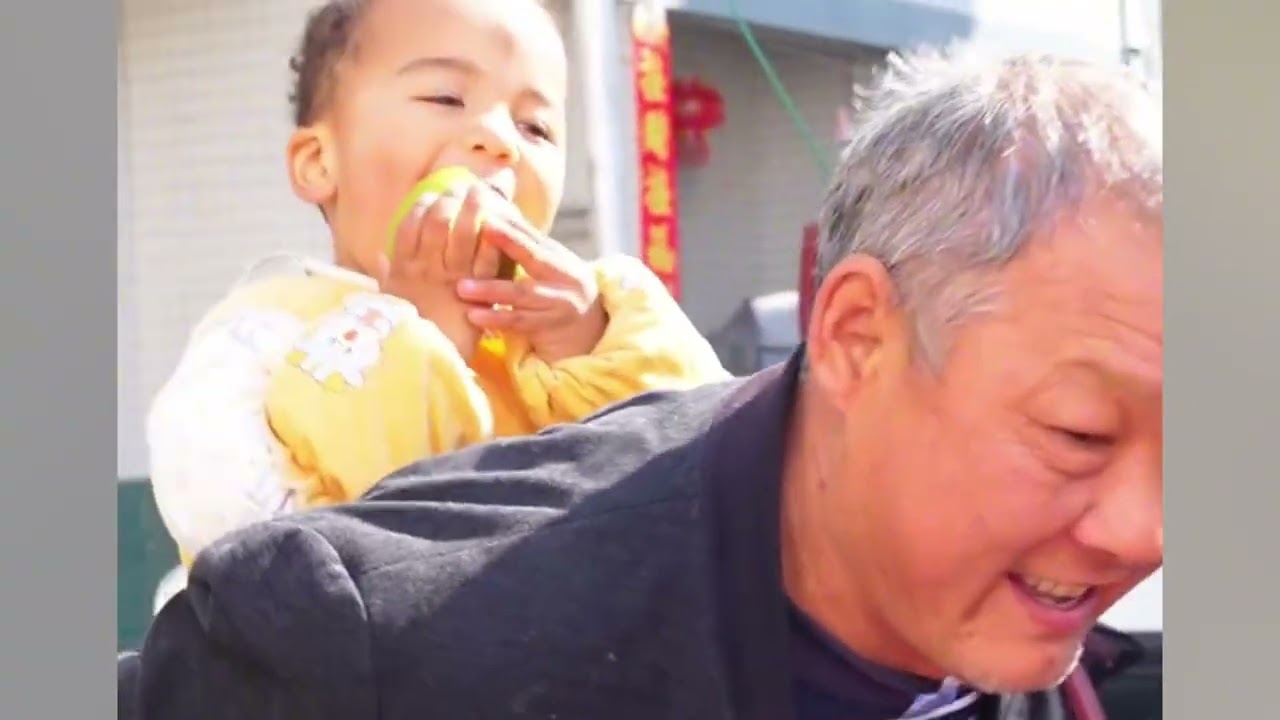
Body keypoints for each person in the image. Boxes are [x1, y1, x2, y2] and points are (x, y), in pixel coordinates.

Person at [120, 46, 1162, 720]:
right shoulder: (388, 642)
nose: (1143, 531)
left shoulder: (1105, 667)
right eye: (1077, 434)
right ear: (853, 336)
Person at [145, 0, 727, 566]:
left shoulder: (580, 327)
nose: (500, 139)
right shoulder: (261, 338)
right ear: (319, 162)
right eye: (446, 97)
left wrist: (599, 345)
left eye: (536, 126)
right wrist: (411, 339)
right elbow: (273, 559)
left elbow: (713, 477)